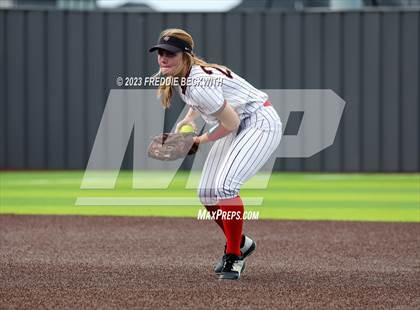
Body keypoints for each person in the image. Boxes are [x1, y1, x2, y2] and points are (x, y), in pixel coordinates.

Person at [149, 28, 282, 280]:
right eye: (160, 53)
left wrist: (200, 139)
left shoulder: (198, 83)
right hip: (240, 121)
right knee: (207, 192)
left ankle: (234, 256)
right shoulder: (185, 77)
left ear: (185, 55)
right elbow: (198, 106)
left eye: (170, 53)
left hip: (258, 121)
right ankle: (241, 242)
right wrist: (186, 124)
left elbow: (230, 122)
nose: (163, 58)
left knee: (226, 187)